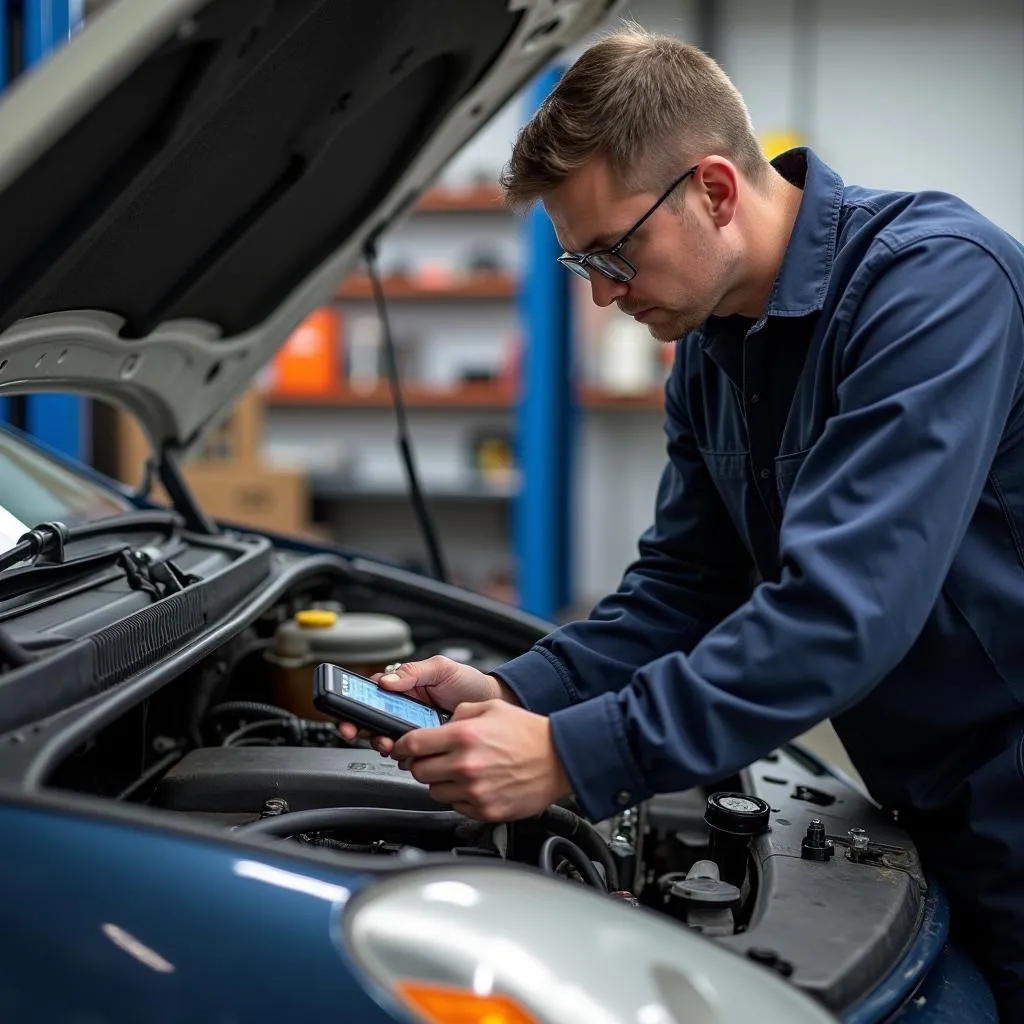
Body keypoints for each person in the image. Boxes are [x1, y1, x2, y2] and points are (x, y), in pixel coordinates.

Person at [338, 23, 1024, 1019]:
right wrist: (512, 687)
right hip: (918, 793)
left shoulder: (935, 287)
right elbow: (682, 590)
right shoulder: (709, 352)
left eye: (614, 251)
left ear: (710, 188)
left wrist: (573, 755)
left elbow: (841, 611)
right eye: (582, 265)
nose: (607, 294)